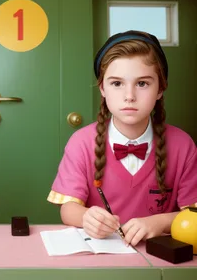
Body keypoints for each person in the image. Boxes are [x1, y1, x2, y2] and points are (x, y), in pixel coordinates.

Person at [47, 30, 197, 246]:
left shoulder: (183, 145)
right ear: (103, 89)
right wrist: (87, 218)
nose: (129, 96)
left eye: (142, 83)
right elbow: (68, 210)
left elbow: (193, 213)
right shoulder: (81, 142)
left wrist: (160, 222)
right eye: (117, 83)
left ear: (160, 89)